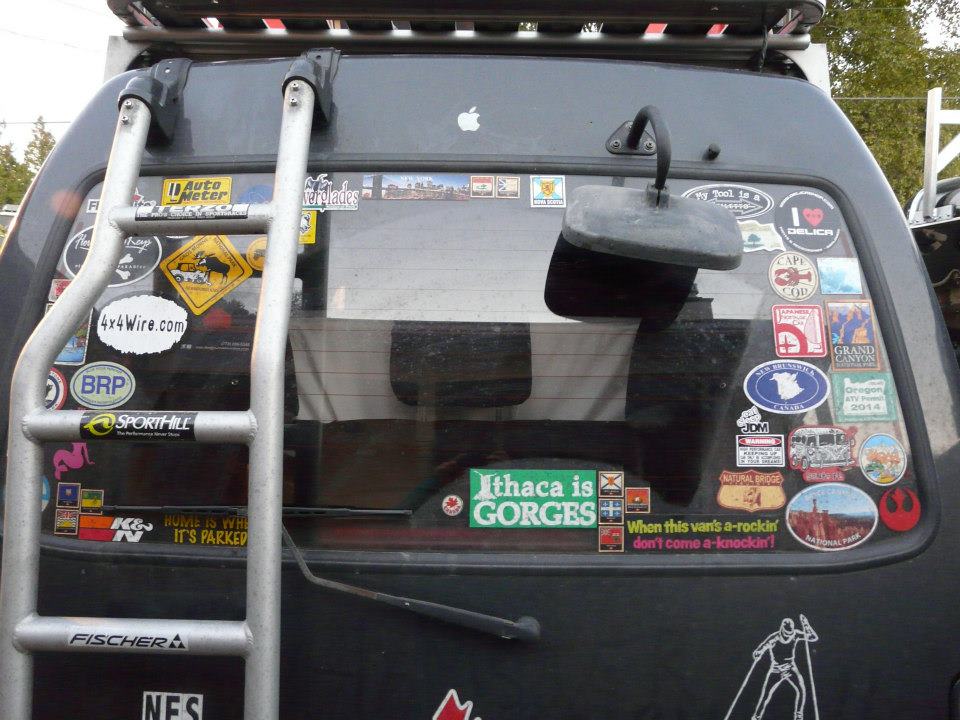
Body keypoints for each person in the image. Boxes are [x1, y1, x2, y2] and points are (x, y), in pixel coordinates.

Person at [750, 615, 818, 720]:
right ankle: (757, 717)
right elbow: (762, 647)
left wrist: (806, 625)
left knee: (801, 689)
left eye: (790, 634)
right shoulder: (774, 638)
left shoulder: (795, 634)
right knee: (766, 694)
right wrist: (758, 653)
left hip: (790, 667)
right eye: (786, 634)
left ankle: (799, 716)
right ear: (782, 630)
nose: (788, 637)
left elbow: (813, 637)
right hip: (776, 669)